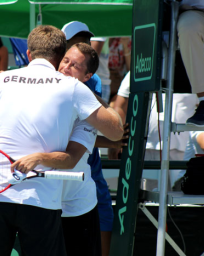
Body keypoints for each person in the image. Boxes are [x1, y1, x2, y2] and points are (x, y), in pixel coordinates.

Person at [0, 25, 123, 256]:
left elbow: (108, 136)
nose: (67, 67)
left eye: (75, 65)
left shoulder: (6, 79)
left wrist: (39, 157)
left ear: (29, 54)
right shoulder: (70, 88)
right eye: (66, 60)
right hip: (37, 199)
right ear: (59, 57)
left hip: (71, 206)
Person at [61, 21, 126, 256]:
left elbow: (89, 129)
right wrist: (113, 140)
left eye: (86, 40)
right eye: (75, 41)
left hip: (89, 170)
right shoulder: (57, 78)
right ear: (62, 46)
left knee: (103, 224)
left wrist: (114, 139)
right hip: (60, 175)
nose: (83, 45)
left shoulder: (93, 79)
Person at [110, 72, 198, 190]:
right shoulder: (139, 67)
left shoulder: (192, 69)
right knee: (145, 199)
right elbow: (120, 106)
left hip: (180, 150)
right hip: (142, 147)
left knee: (179, 195)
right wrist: (115, 140)